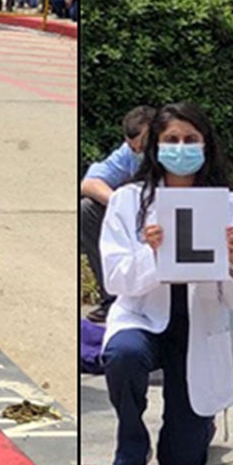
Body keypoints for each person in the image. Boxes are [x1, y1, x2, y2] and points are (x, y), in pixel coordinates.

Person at [100, 103, 233, 465]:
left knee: (182, 464)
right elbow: (115, 280)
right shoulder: (128, 201)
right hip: (143, 319)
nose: (181, 147)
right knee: (123, 355)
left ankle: (199, 428)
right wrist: (151, 254)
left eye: (191, 140)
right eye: (172, 140)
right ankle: (131, 445)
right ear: (155, 146)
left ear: (206, 147)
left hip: (198, 328)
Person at [82, 106, 156, 323]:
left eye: (143, 146)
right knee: (88, 211)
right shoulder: (129, 154)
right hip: (140, 217)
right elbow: (90, 182)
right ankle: (112, 299)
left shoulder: (175, 149)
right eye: (134, 149)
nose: (139, 153)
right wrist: (121, 204)